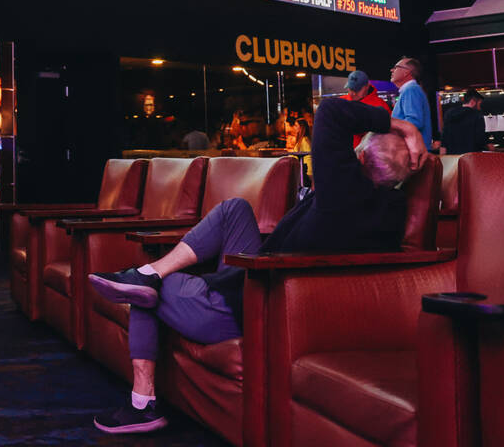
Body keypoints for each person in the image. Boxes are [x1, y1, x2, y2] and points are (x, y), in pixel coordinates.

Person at [87, 96, 425, 434]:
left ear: (361, 157)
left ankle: (143, 404)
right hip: (259, 279)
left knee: (148, 290)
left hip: (245, 304)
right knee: (234, 210)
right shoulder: (389, 209)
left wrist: (403, 125)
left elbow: (333, 112)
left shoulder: (344, 192)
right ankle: (149, 274)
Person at [389, 57, 433, 149]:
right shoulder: (411, 90)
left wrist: (388, 125)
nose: (392, 70)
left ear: (406, 72)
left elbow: (414, 122)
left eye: (396, 67)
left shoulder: (411, 90)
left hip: (412, 153)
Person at [343, 69, 390, 148]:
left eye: (357, 90)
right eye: (351, 89)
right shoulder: (341, 102)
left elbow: (387, 134)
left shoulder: (381, 106)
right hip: (343, 154)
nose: (353, 93)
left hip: (368, 155)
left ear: (367, 86)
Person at [441, 89, 487, 154]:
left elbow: (444, 140)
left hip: (452, 158)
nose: (480, 107)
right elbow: (480, 139)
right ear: (472, 102)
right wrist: (487, 146)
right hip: (471, 157)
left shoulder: (449, 114)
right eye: (479, 104)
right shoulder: (477, 116)